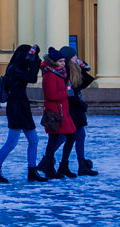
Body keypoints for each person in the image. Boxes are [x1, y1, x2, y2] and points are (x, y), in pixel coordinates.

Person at [0, 44, 46, 184]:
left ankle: (32, 171)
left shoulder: (18, 66)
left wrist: (34, 58)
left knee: (33, 140)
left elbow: (32, 76)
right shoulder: (15, 68)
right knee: (12, 142)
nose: (29, 57)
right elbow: (32, 78)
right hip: (16, 107)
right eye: (28, 54)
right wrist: (33, 61)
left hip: (22, 106)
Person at [36, 48, 76, 180]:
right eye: (60, 61)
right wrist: (66, 93)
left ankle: (61, 166)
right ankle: (50, 168)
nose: (63, 63)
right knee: (53, 141)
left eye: (64, 61)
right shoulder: (49, 75)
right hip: (55, 113)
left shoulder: (59, 73)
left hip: (62, 111)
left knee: (70, 136)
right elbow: (51, 95)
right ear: (53, 62)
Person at [59, 46, 98, 178]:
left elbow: (82, 84)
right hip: (72, 107)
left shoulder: (74, 69)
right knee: (66, 136)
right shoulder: (66, 70)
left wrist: (84, 68)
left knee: (75, 135)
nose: (77, 58)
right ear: (69, 57)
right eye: (75, 56)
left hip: (75, 106)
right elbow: (71, 89)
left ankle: (80, 164)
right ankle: (79, 164)